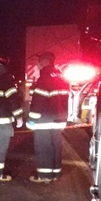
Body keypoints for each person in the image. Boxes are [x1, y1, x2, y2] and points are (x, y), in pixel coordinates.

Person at [27, 51, 69, 183]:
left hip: (44, 120)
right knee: (56, 146)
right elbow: (64, 100)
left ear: (45, 62)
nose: (38, 65)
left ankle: (44, 176)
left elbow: (38, 102)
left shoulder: (44, 79)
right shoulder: (61, 79)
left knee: (44, 147)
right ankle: (55, 173)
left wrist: (32, 120)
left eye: (39, 62)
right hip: (58, 120)